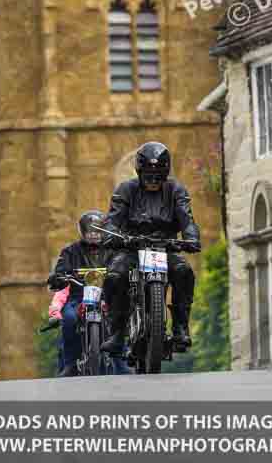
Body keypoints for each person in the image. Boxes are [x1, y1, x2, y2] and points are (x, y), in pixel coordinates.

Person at [100, 141, 201, 356]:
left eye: (158, 174)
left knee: (184, 271)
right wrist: (112, 235)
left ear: (166, 172)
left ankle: (180, 327)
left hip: (165, 248)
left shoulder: (176, 190)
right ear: (139, 170)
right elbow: (113, 218)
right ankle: (116, 331)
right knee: (114, 276)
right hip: (131, 249)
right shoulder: (126, 189)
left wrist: (191, 238)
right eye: (148, 174)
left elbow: (187, 218)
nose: (153, 179)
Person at [47, 209, 129, 376]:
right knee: (69, 319)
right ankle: (70, 364)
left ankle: (122, 363)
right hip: (78, 296)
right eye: (90, 232)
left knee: (120, 316)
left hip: (108, 295)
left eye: (97, 231)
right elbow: (60, 269)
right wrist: (58, 277)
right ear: (82, 232)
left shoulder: (113, 249)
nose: (93, 235)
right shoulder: (70, 251)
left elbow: (124, 265)